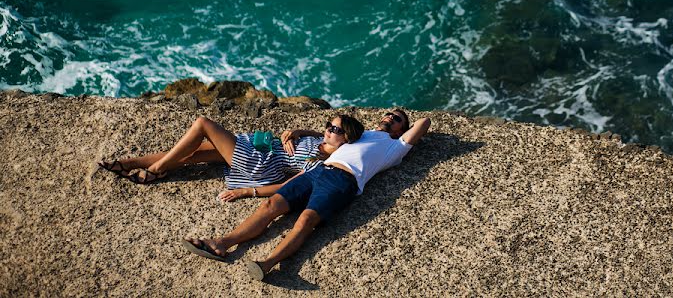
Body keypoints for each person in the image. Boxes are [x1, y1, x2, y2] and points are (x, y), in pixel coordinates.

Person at [181, 108, 431, 281]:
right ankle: (221, 244)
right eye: (389, 114)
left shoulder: (395, 147)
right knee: (270, 206)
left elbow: (425, 123)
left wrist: (404, 127)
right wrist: (302, 132)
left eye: (397, 119)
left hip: (344, 181)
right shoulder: (360, 134)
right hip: (317, 171)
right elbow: (331, 135)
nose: (390, 117)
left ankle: (267, 264)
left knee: (305, 221)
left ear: (402, 131)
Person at [97, 114, 364, 199]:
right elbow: (312, 131)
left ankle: (156, 169)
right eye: (329, 124)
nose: (329, 129)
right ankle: (130, 164)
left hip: (260, 163)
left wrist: (249, 192)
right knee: (193, 154)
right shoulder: (320, 138)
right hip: (259, 148)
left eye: (335, 129)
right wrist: (294, 131)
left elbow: (290, 185)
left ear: (347, 139)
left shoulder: (324, 163)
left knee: (203, 124)